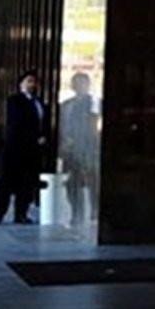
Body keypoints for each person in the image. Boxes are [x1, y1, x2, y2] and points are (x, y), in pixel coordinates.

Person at [0, 70, 48, 225]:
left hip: (31, 151)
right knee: (6, 182)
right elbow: (17, 124)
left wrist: (42, 137)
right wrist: (33, 138)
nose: (31, 85)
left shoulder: (39, 103)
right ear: (21, 84)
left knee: (26, 184)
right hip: (14, 148)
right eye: (28, 81)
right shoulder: (15, 101)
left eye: (34, 82)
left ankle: (21, 214)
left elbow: (41, 124)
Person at [57, 72, 99, 229]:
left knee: (92, 182)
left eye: (83, 83)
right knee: (72, 184)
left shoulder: (94, 102)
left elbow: (94, 126)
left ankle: (95, 211)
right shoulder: (66, 105)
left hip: (88, 149)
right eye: (77, 83)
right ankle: (77, 214)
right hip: (70, 150)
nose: (80, 87)